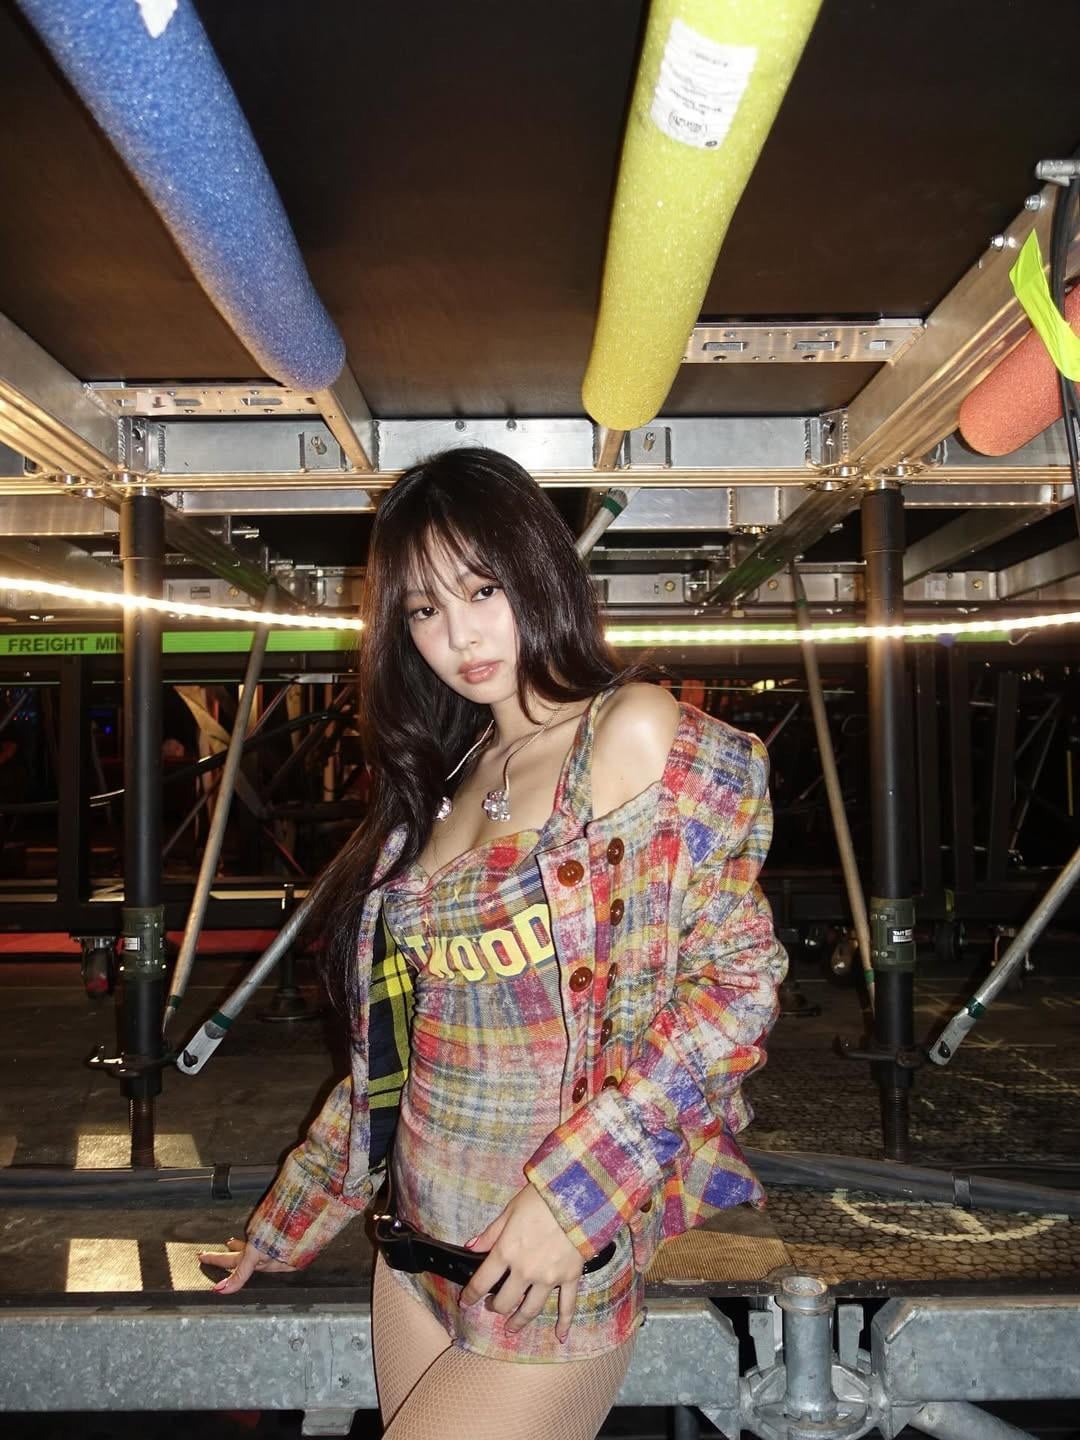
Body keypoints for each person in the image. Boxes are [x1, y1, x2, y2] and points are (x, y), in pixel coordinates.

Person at [199, 448, 787, 1439]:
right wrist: (290, 1219)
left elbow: (734, 991)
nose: (458, 636)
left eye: (481, 590)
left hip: (548, 1265)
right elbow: (399, 1058)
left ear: (541, 572)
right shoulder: (446, 776)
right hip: (413, 1254)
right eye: (423, 610)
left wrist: (577, 1200)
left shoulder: (630, 734)